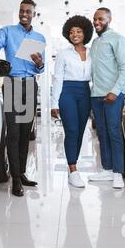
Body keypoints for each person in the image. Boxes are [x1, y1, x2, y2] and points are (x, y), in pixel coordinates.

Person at [0, 0, 45, 197]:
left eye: (28, 11)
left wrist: (39, 63)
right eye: (22, 10)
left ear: (34, 14)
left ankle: (21, 172)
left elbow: (42, 67)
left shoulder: (39, 38)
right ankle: (15, 178)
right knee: (13, 133)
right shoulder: (7, 31)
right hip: (13, 84)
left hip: (30, 85)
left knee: (25, 133)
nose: (24, 14)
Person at [88, 8, 125, 189]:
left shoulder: (118, 39)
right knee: (102, 133)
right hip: (96, 95)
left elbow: (124, 68)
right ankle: (107, 169)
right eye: (95, 19)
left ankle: (118, 172)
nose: (97, 22)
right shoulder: (95, 43)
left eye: (101, 19)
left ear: (109, 19)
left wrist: (115, 91)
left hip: (112, 95)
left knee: (114, 132)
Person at [51, 15, 94, 188]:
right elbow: (58, 78)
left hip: (85, 92)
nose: (74, 34)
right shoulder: (63, 54)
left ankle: (72, 165)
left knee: (80, 132)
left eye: (78, 31)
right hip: (67, 93)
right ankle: (74, 170)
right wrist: (54, 103)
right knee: (72, 130)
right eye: (71, 32)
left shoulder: (92, 53)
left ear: (85, 33)